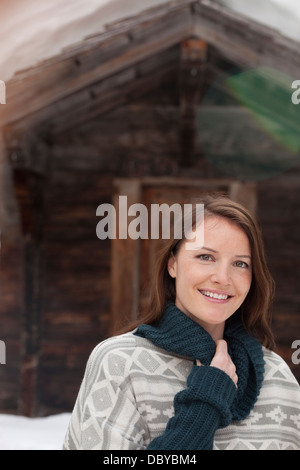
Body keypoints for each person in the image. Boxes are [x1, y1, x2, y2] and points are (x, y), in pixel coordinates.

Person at [63, 194, 300, 450]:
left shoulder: (277, 375)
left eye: (240, 263)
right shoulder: (121, 364)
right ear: (173, 264)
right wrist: (205, 405)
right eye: (205, 257)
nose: (223, 277)